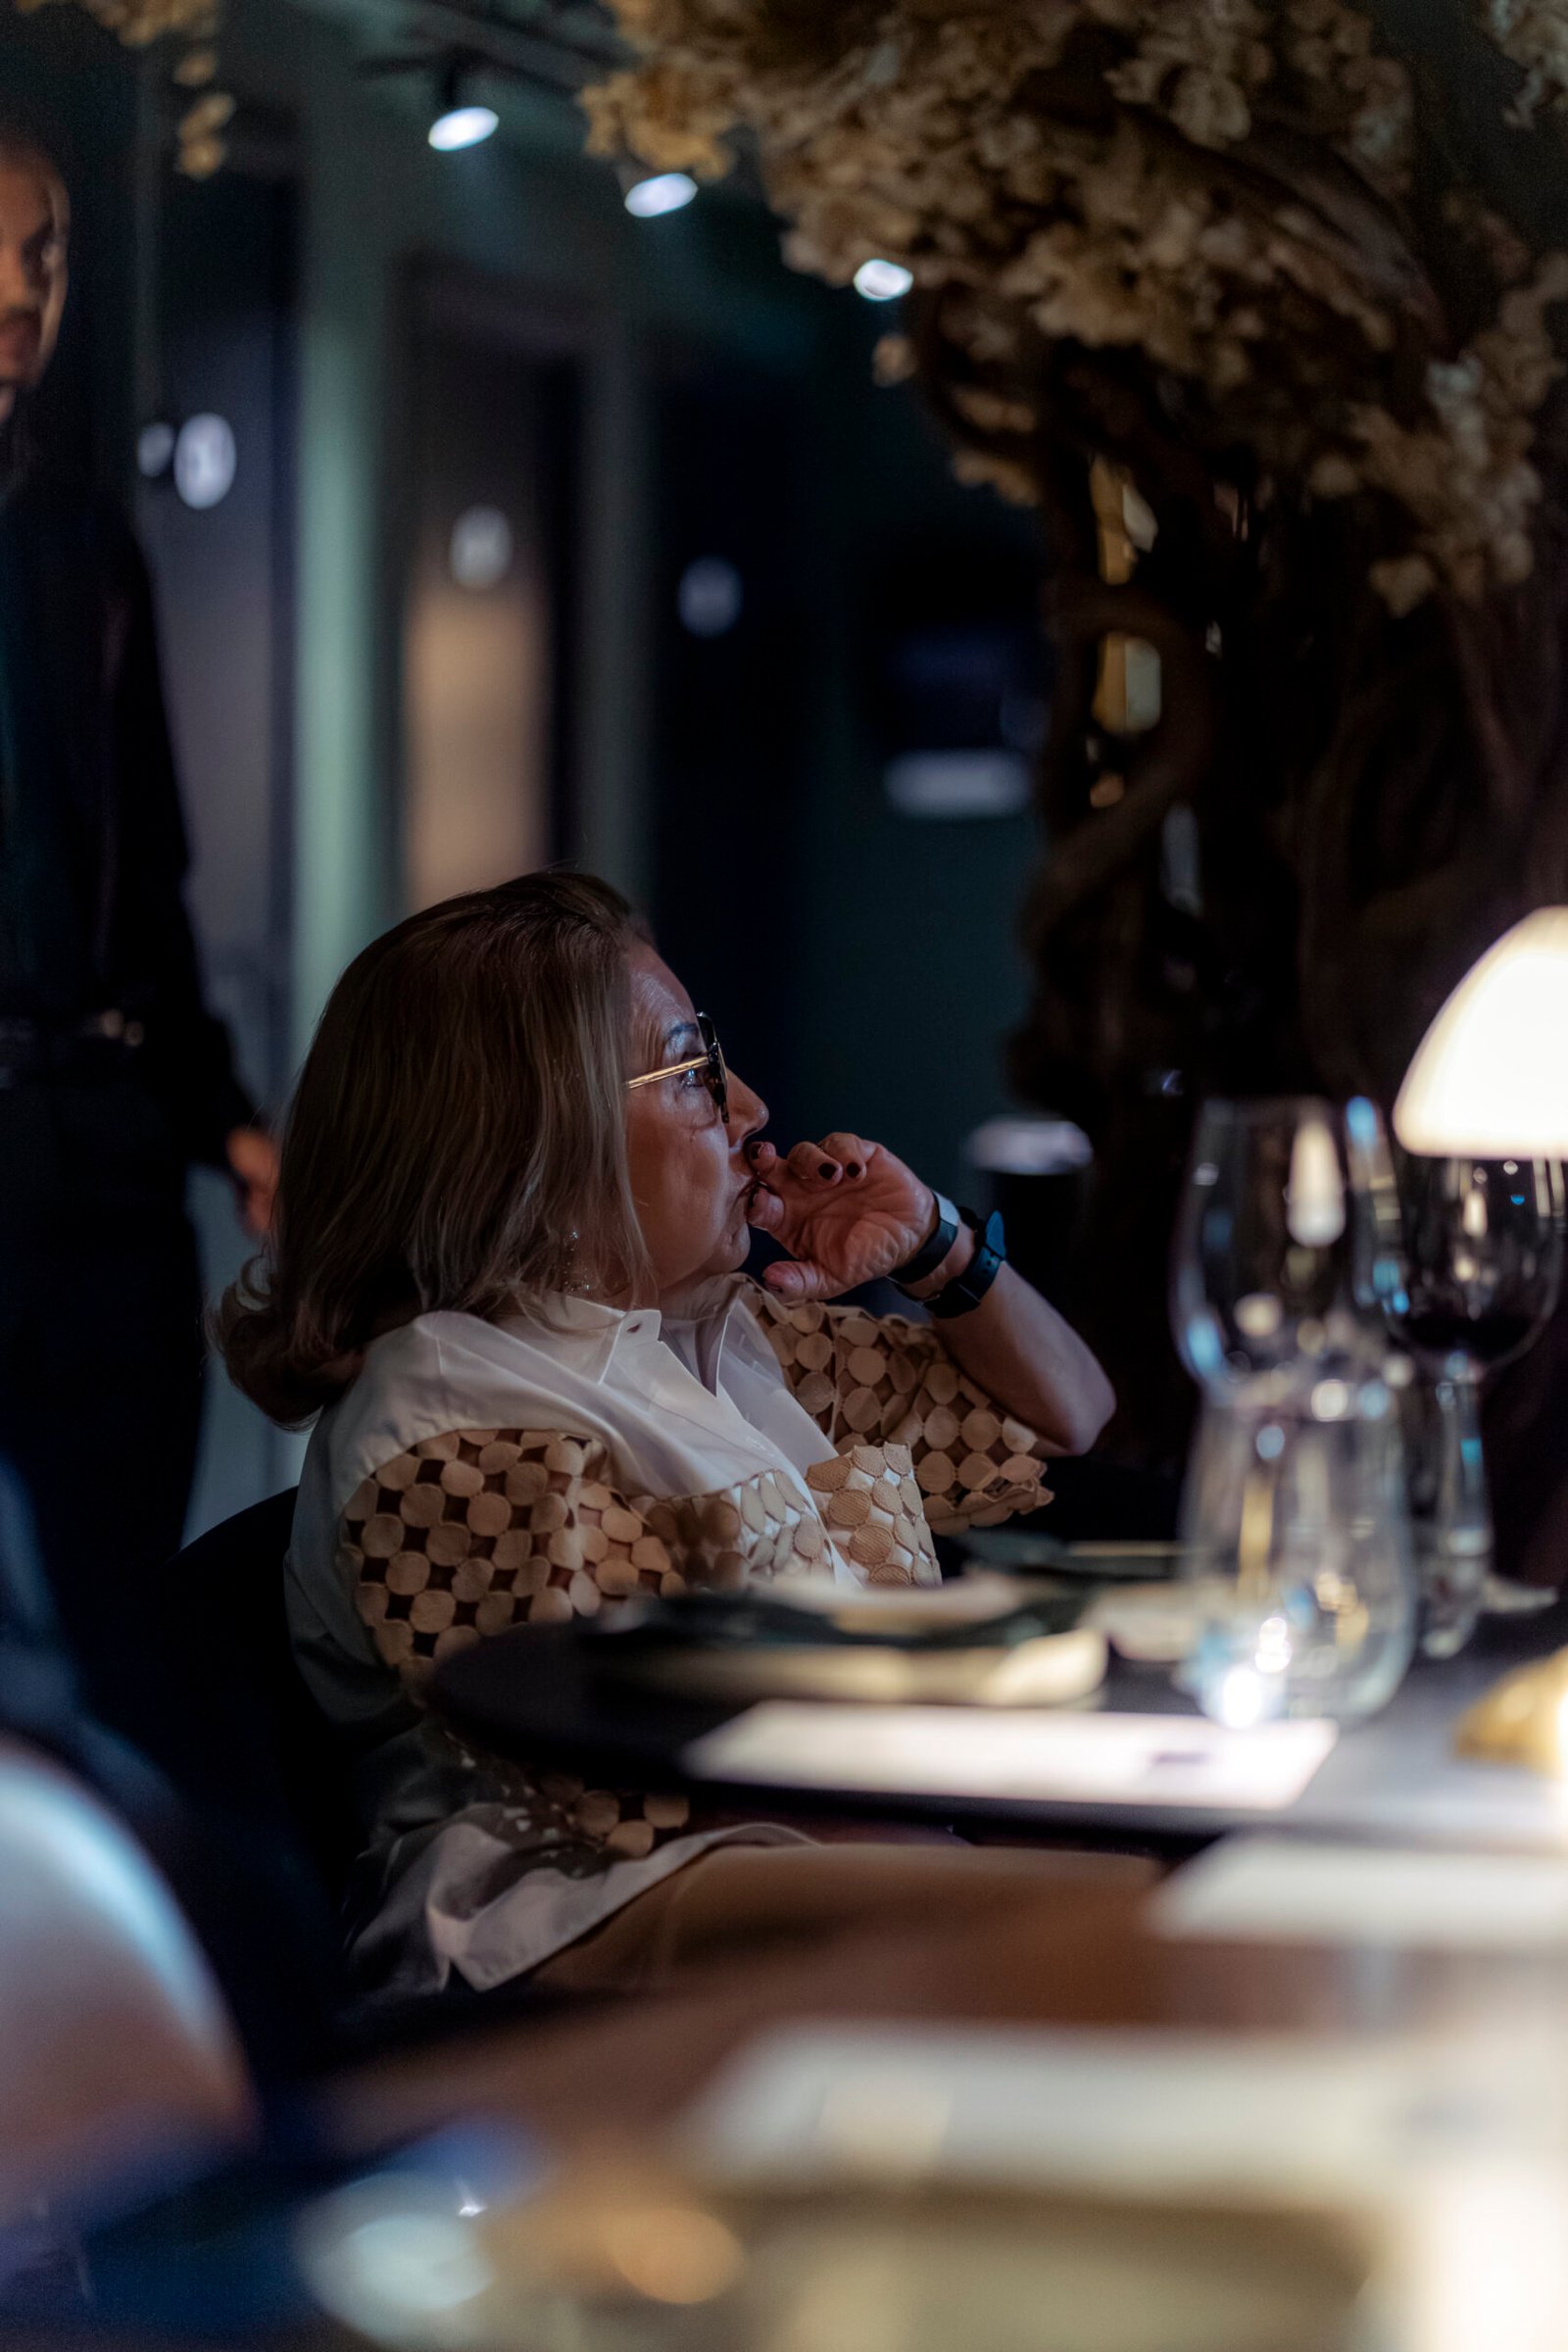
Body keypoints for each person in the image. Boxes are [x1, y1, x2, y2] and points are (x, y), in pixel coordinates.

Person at [219, 873, 1115, 1998]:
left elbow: (1059, 1422)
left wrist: (940, 1245)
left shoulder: (721, 1335)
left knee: (1177, 1887)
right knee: (1131, 1917)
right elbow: (630, 1786)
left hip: (806, 1845)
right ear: (539, 1143)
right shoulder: (445, 1410)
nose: (751, 1110)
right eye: (693, 1073)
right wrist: (992, 1828)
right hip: (567, 1922)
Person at [0, 123, 278, 1726]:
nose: (22, 287)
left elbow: (149, 870)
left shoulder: (83, 536)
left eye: (45, 254)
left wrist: (222, 1116)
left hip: (98, 1134)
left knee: (122, 1620)